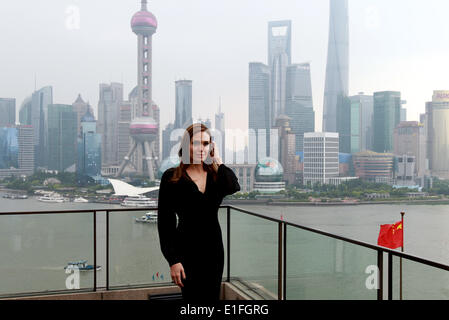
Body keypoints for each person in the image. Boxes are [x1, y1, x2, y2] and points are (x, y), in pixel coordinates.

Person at [157, 123, 240, 301]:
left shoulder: (216, 176)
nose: (201, 148)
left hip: (214, 250)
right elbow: (165, 223)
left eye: (205, 143)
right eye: (195, 143)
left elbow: (234, 186)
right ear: (185, 146)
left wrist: (217, 159)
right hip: (186, 251)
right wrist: (173, 260)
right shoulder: (172, 177)